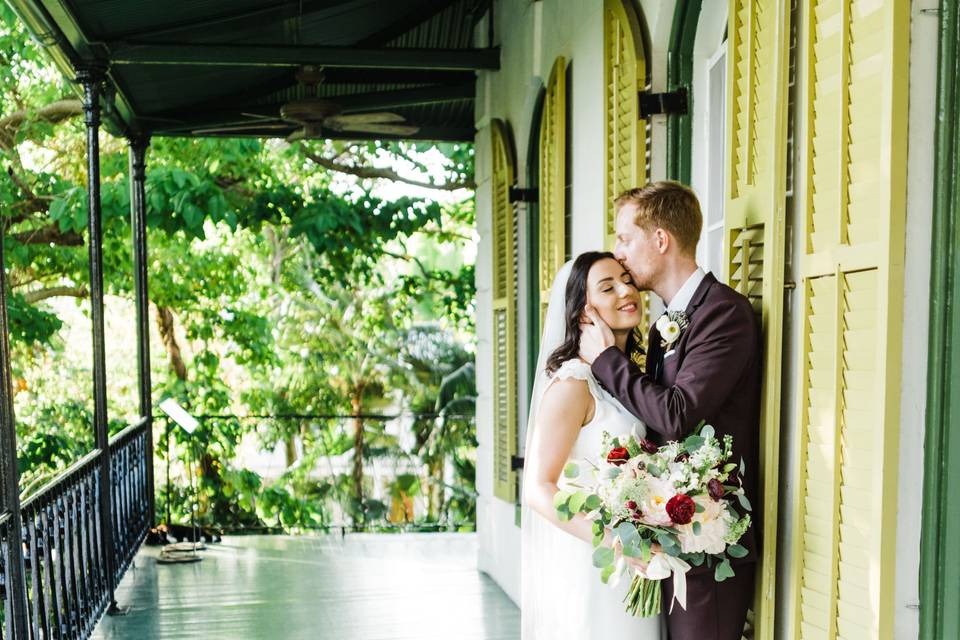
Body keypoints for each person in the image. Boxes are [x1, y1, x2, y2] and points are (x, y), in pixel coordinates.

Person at [578, 181, 761, 640]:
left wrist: (607, 360)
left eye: (625, 238)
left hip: (709, 544)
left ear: (660, 240)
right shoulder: (667, 322)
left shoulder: (723, 313)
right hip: (669, 538)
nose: (618, 253)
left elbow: (677, 415)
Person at [521, 251, 663, 640]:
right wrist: (618, 541)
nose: (626, 290)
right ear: (584, 312)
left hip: (638, 559)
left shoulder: (625, 375)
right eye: (608, 286)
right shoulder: (572, 385)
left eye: (627, 279)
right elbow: (538, 489)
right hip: (595, 560)